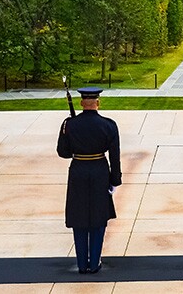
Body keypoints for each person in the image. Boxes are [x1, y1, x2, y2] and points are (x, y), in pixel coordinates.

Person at [56, 87, 122, 274]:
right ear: (98, 103)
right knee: (99, 216)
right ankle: (94, 262)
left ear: (81, 103)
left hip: (78, 171)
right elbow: (115, 156)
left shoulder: (69, 124)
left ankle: (81, 264)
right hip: (100, 171)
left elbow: (63, 152)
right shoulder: (109, 125)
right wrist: (115, 180)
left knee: (79, 216)